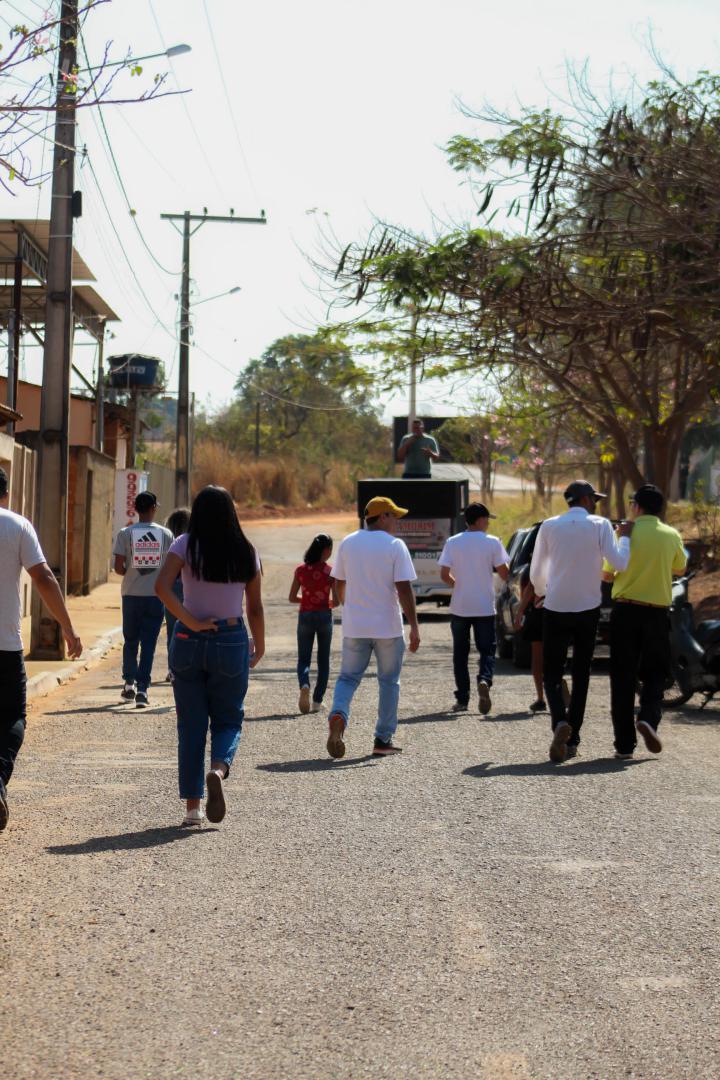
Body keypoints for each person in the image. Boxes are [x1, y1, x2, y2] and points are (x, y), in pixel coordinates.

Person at [155, 486, 265, 828]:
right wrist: (259, 645)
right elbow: (255, 607)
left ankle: (193, 809)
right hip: (231, 639)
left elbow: (161, 587)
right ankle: (217, 770)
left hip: (188, 639)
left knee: (190, 725)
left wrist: (189, 621)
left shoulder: (184, 544)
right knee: (228, 719)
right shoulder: (246, 550)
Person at [0, 467, 82, 832]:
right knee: (12, 718)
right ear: (6, 493)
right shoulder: (17, 526)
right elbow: (44, 577)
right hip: (5, 646)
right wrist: (68, 628)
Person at [530, 480, 632, 763]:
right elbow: (619, 563)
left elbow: (537, 570)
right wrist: (625, 538)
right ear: (586, 499)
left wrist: (541, 592)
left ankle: (560, 721)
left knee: (552, 673)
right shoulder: (600, 525)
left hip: (556, 606)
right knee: (581, 674)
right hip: (588, 608)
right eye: (594, 499)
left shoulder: (549, 525)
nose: (596, 504)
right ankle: (573, 739)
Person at [326, 496, 420, 759]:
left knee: (348, 678)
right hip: (388, 627)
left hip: (355, 626)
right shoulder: (395, 546)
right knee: (389, 681)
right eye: (394, 515)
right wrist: (414, 626)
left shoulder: (348, 542)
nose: (396, 521)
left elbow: (338, 582)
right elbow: (404, 589)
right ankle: (382, 740)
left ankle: (338, 714)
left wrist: (349, 606)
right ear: (383, 517)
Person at [604, 484, 687, 760]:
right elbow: (680, 568)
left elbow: (607, 574)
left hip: (625, 612)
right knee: (656, 672)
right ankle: (649, 718)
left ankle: (624, 745)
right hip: (657, 613)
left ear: (636, 506)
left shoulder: (624, 533)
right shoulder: (671, 535)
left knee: (622, 677)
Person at [438, 502, 509, 715]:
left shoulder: (453, 542)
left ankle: (462, 699)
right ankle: (484, 680)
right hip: (484, 606)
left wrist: (458, 585)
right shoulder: (492, 542)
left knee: (460, 654)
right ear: (479, 520)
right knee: (487, 650)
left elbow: (444, 574)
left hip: (460, 606)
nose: (488, 523)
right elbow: (504, 573)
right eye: (487, 519)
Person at [113, 491, 173, 708]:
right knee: (149, 644)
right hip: (156, 596)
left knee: (130, 640)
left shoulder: (125, 533)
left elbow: (118, 568)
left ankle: (129, 684)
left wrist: (131, 572)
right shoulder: (166, 534)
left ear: (136, 509)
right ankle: (143, 691)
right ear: (154, 508)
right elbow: (171, 567)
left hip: (131, 595)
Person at [289, 533, 339, 714]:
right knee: (323, 660)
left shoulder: (300, 570)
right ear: (326, 550)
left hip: (305, 616)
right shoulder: (330, 571)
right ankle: (317, 701)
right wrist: (326, 602)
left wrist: (307, 599)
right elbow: (337, 601)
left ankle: (304, 684)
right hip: (324, 616)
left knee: (304, 658)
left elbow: (292, 597)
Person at [163, 507, 191, 680]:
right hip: (189, 588)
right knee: (191, 628)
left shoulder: (170, 544)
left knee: (172, 630)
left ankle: (172, 668)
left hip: (171, 587)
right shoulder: (192, 543)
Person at [515, 568, 547, 713]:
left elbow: (531, 586)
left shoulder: (539, 560)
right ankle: (557, 688)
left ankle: (541, 698)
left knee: (537, 656)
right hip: (561, 610)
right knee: (556, 654)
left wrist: (520, 612)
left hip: (539, 611)